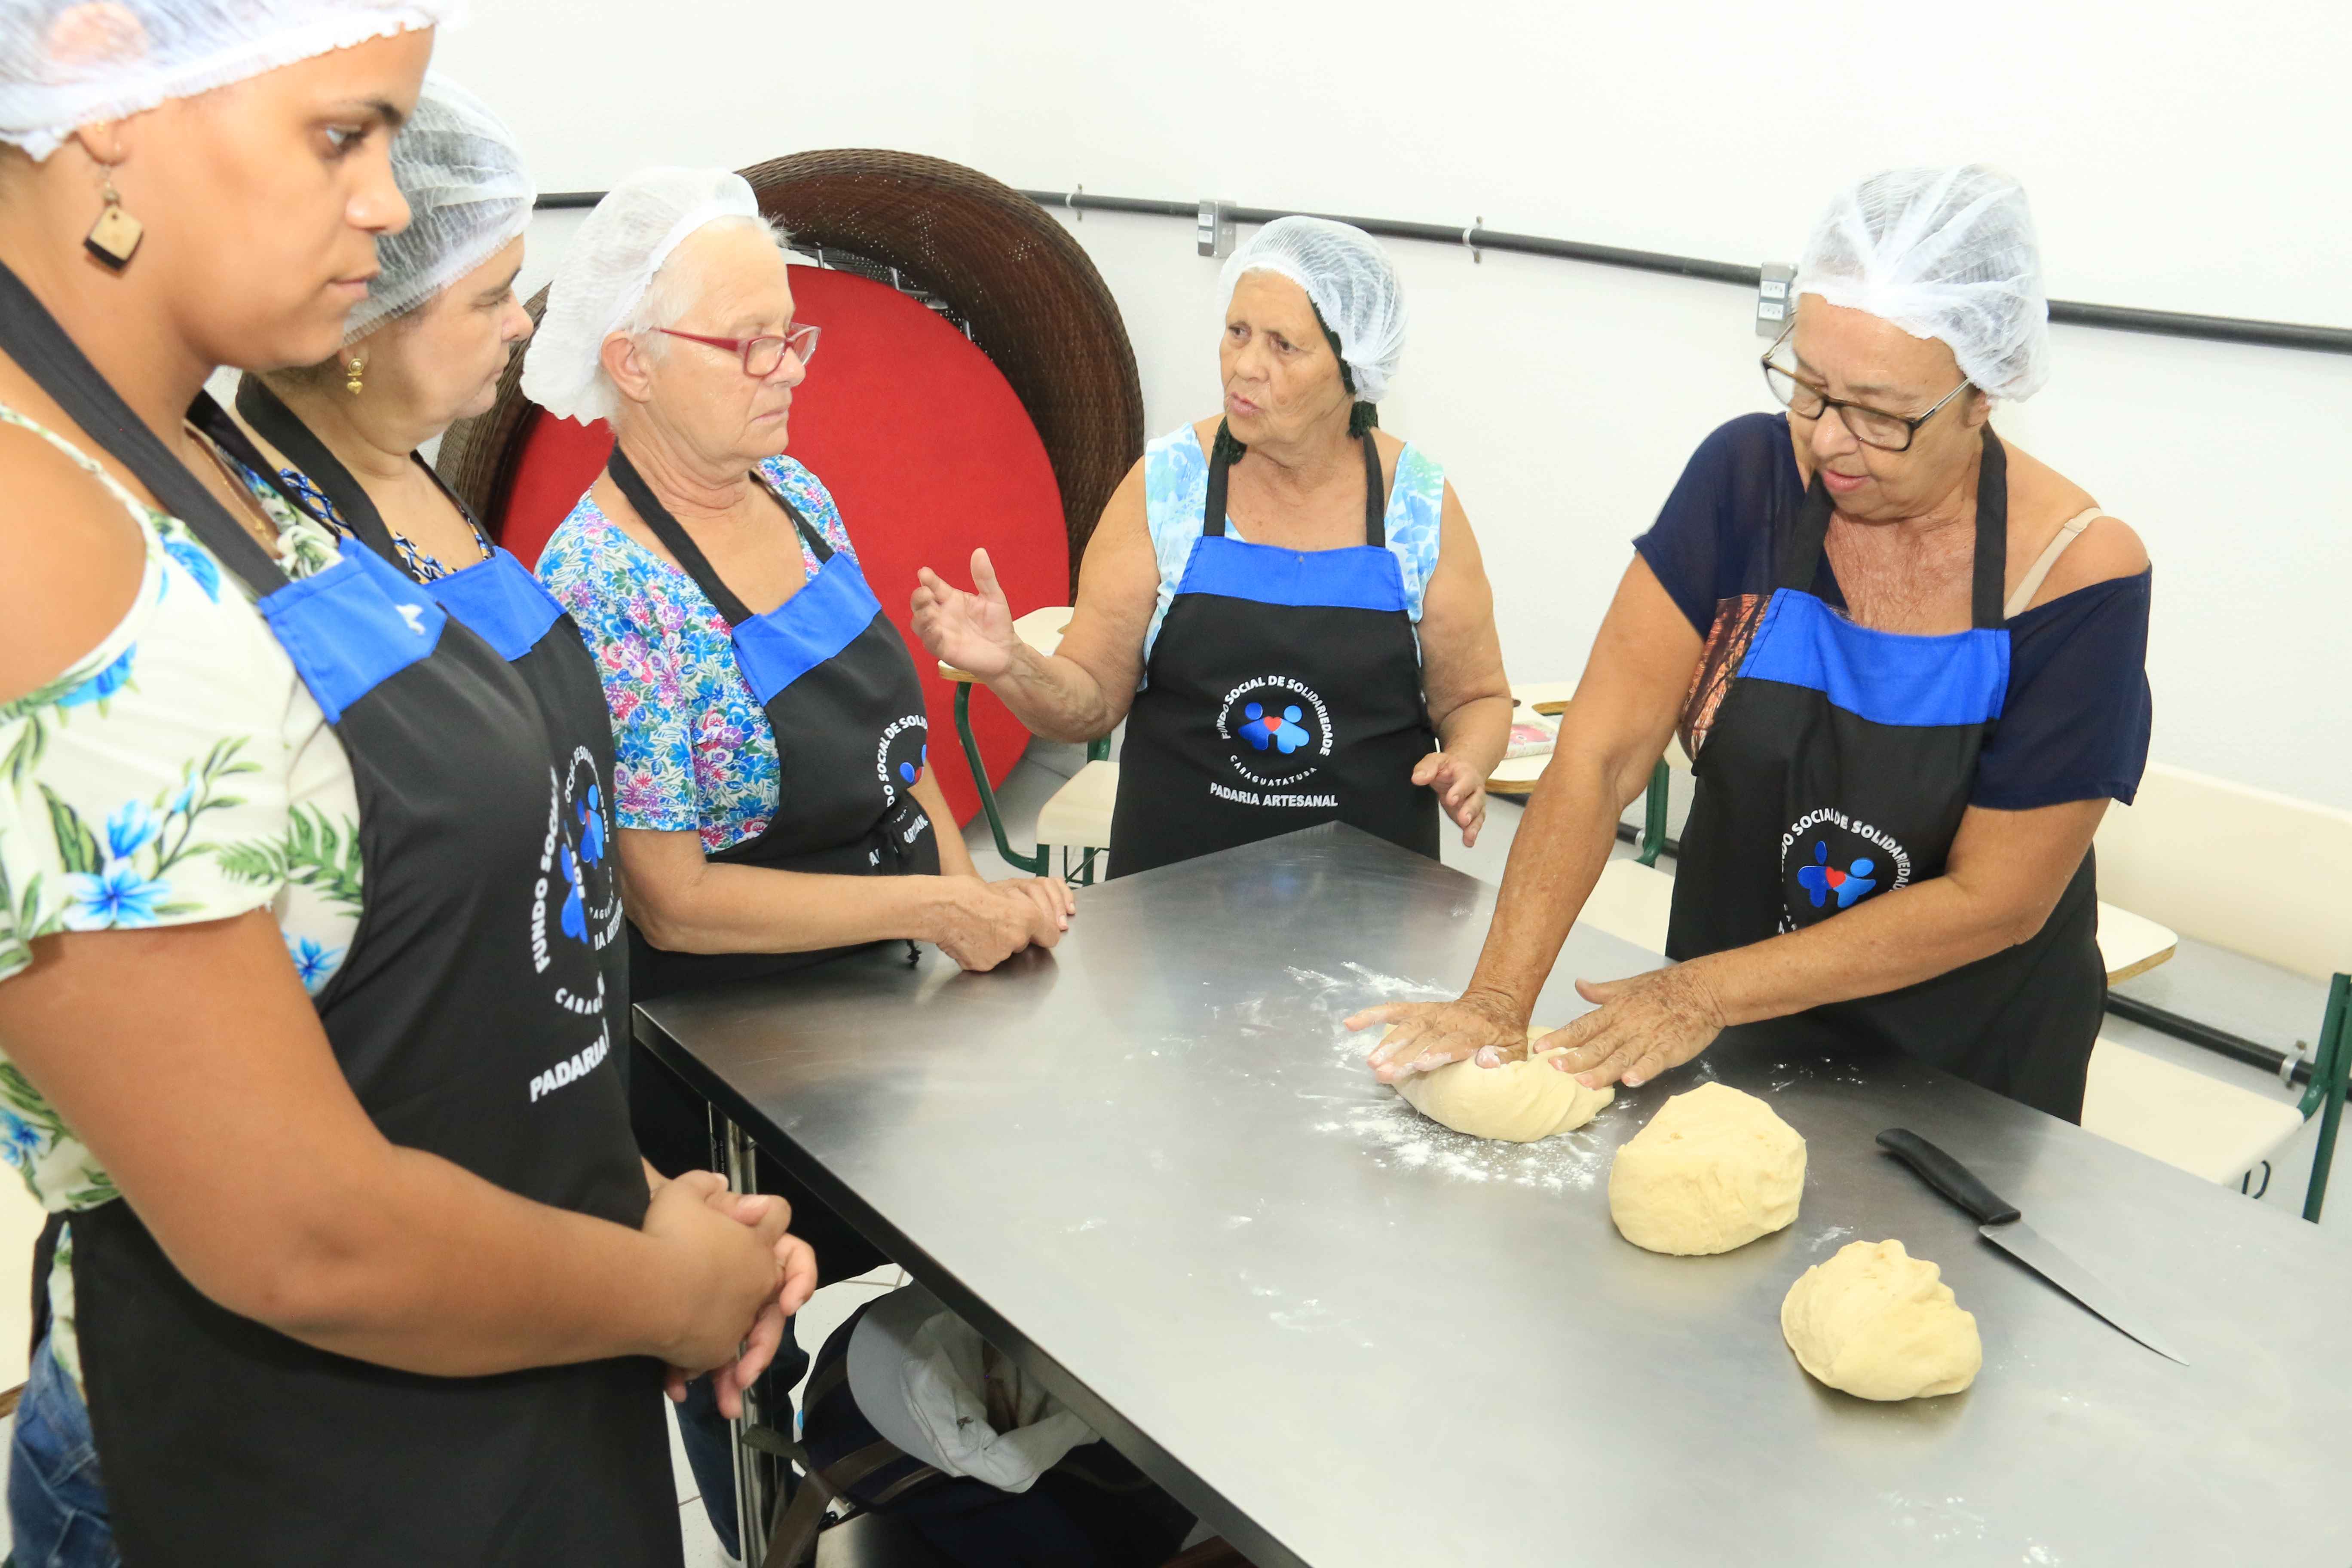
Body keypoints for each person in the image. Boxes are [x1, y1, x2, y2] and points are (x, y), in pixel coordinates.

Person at [0, 12, 811, 1565]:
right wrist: (667, 1288)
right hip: (272, 1464)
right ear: (107, 96)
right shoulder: (41, 530)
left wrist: (632, 1198)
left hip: (483, 1393)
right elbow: (301, 1231)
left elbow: (413, 979)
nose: (383, 206)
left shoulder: (225, 453)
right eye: (339, 134)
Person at [1356, 167, 2152, 1124]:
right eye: (1810, 389)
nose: (1828, 441)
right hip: (1732, 1041)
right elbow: (1603, 756)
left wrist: (1700, 993)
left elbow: (1999, 897)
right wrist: (1496, 1000)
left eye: (1881, 413)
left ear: (1982, 396)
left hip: (1962, 1080)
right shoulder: (1746, 480)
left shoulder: (2077, 575)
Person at [526, 166, 1073, 1556]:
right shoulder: (609, 586)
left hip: (888, 998)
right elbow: (677, 899)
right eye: (748, 343)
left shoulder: (798, 489)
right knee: (755, 1350)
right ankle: (779, 1515)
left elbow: (896, 752)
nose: (786, 370)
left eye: (793, 334)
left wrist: (973, 897)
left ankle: (939, 1493)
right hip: (739, 1054)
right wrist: (935, 904)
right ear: (630, 365)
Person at [911, 215, 1510, 880]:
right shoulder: (1168, 487)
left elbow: (1476, 700)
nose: (1246, 366)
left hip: (1373, 902)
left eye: (1284, 346)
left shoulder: (1418, 506)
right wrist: (1012, 665)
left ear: (1353, 368)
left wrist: (1468, 762)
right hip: (1173, 899)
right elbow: (1089, 701)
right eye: (1237, 333)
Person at [229, 74, 632, 1040]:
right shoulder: (284, 540)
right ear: (369, 318)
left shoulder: (408, 464)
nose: (522, 322)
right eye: (491, 297)